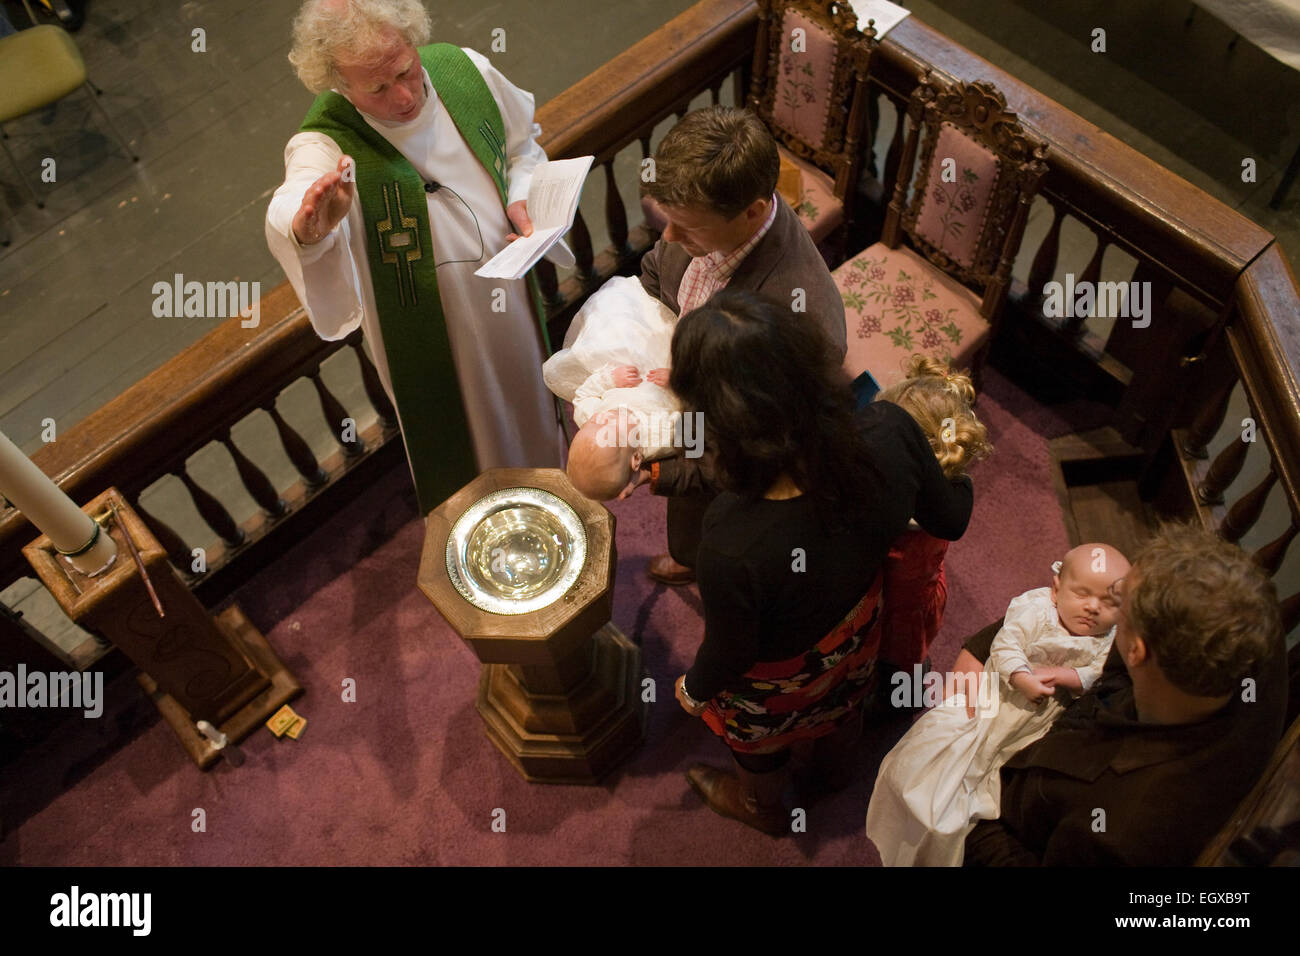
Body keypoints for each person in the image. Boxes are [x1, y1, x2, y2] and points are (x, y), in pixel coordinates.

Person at [668, 289, 972, 837]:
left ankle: (760, 806)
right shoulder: (892, 430)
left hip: (776, 682)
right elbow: (950, 517)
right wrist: (956, 466)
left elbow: (732, 652)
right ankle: (835, 772)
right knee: (845, 707)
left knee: (758, 746)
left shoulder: (729, 543)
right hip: (857, 636)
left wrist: (692, 690)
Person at [265, 0, 565, 516]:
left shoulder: (466, 71)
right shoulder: (325, 141)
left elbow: (522, 147)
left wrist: (523, 195)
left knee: (532, 409)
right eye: (377, 88)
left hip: (509, 298)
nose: (403, 96)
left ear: (413, 41)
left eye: (406, 70)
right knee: (467, 444)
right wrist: (308, 225)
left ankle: (558, 508)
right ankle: (484, 540)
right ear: (337, 82)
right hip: (428, 331)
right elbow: (294, 198)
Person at [962, 523, 1287, 865]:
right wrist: (986, 646)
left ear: (1136, 651)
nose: (1104, 603)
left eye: (1119, 601)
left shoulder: (1118, 829)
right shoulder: (1253, 626)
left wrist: (968, 820)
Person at [631, 106, 848, 586]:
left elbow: (752, 457)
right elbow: (654, 273)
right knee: (689, 532)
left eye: (687, 227)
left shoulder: (796, 324)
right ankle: (690, 553)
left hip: (732, 466)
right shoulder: (700, 224)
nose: (668, 236)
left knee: (724, 553)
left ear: (752, 210)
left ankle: (701, 566)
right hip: (691, 406)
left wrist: (656, 474)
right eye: (668, 219)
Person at [866, 543, 1129, 866]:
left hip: (1032, 726)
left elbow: (1097, 674)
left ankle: (942, 842)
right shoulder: (1036, 609)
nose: (1092, 607)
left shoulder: (1108, 642)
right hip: (993, 699)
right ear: (1057, 587)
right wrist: (1021, 676)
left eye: (1108, 602)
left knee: (974, 798)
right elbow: (1006, 644)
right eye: (1082, 593)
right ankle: (907, 828)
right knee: (925, 771)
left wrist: (1068, 675)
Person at [875, 356, 992, 680]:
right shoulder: (948, 486)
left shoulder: (902, 515)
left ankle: (905, 694)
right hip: (920, 587)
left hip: (899, 605)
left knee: (902, 662)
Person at [541, 276, 681, 500]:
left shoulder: (588, 415)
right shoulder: (659, 437)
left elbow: (584, 394)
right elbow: (695, 420)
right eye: (609, 427)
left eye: (595, 422)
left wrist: (609, 379)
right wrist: (677, 383)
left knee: (613, 323)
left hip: (624, 368)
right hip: (664, 369)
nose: (603, 417)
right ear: (636, 459)